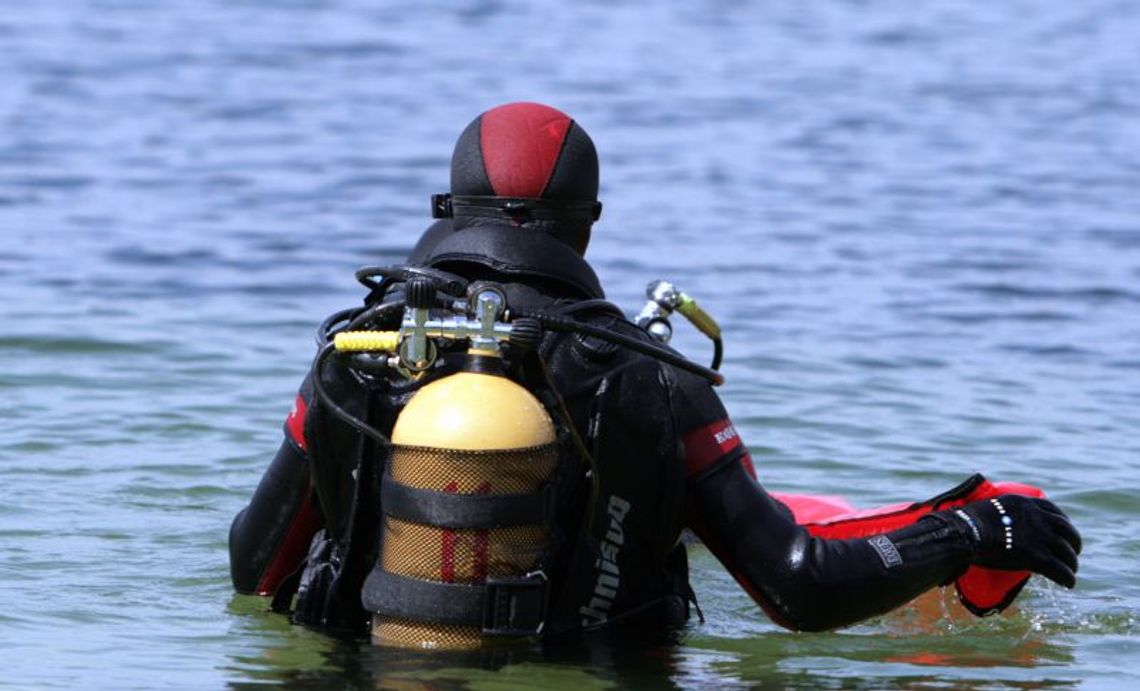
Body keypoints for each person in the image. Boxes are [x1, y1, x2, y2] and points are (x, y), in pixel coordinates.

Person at [229, 102, 1081, 646]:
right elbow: (799, 586)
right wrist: (971, 530)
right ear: (589, 225)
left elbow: (253, 567)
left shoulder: (360, 353)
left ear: (447, 213)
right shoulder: (653, 380)